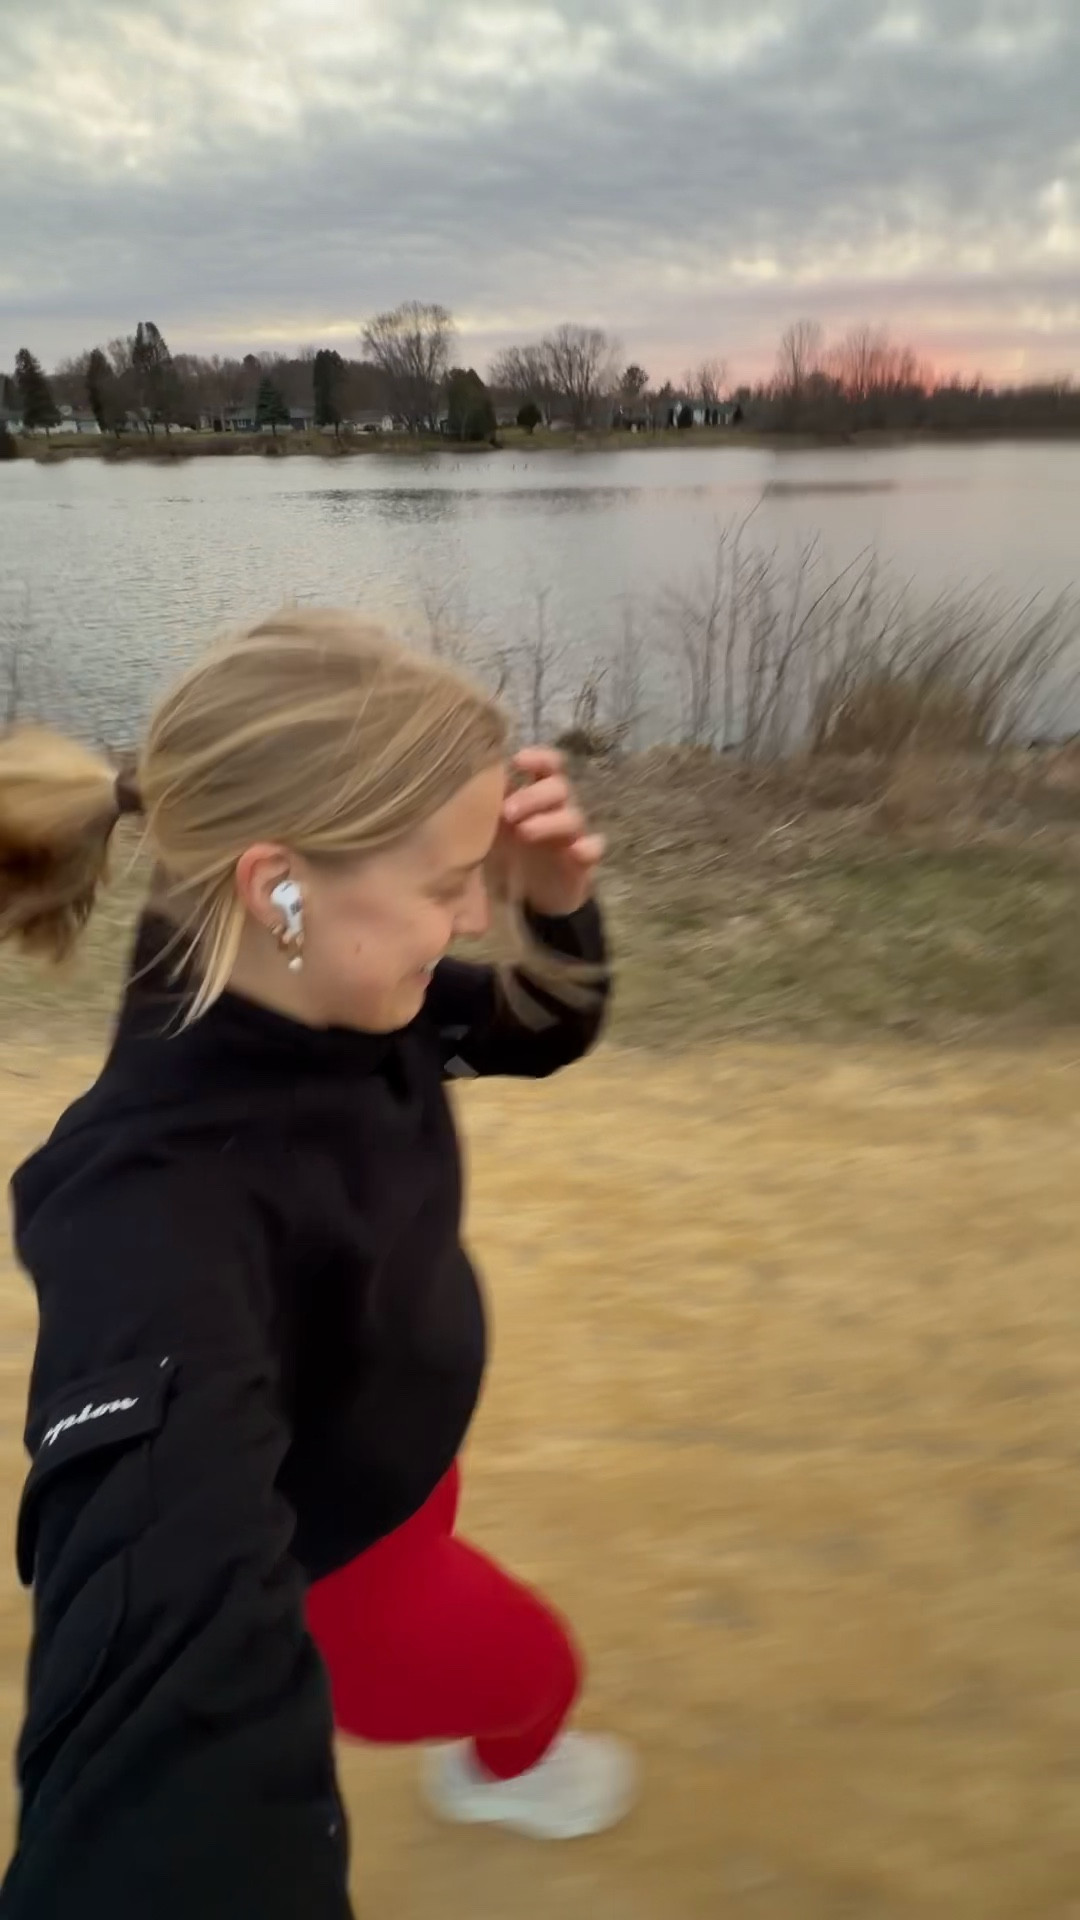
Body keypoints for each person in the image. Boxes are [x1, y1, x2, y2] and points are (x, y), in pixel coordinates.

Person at [0, 610, 634, 1920]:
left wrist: (557, 912)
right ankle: (503, 1773)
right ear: (279, 883)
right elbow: (158, 1655)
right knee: (536, 1672)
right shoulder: (150, 1206)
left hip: (397, 1459)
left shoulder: (302, 977)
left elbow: (536, 1032)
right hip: (340, 1573)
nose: (476, 912)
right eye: (450, 880)